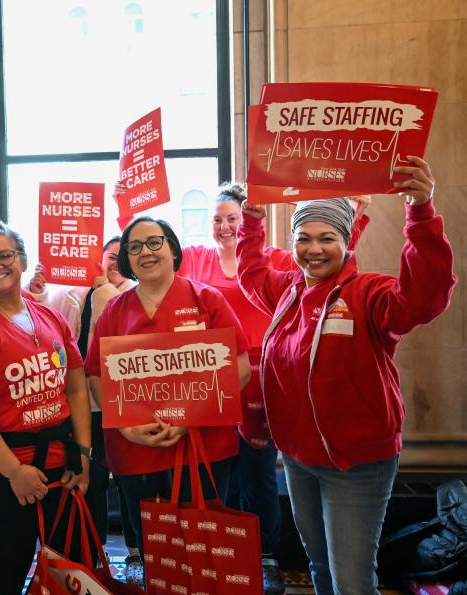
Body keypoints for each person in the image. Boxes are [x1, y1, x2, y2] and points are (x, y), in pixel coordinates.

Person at [236, 156, 456, 594]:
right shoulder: (289, 290)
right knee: (319, 564)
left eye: (326, 238)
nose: (313, 248)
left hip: (355, 463)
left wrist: (421, 211)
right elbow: (251, 273)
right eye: (303, 238)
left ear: (346, 241)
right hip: (299, 459)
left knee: (352, 581)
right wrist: (252, 222)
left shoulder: (369, 292)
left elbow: (423, 298)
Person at [176, 181, 370, 593]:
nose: (224, 226)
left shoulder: (277, 259)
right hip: (212, 379)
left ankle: (263, 557)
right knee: (216, 473)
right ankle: (221, 556)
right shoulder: (195, 259)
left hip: (264, 379)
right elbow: (153, 266)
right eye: (216, 219)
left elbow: (326, 265)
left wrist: (357, 215)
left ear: (243, 221)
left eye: (232, 218)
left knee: (258, 473)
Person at [85, 216, 253, 558]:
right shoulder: (114, 312)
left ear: (173, 249)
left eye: (154, 242)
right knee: (156, 551)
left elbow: (240, 368)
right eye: (134, 247)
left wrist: (190, 417)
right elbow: (96, 378)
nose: (145, 252)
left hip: (202, 447)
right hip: (136, 451)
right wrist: (126, 427)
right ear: (127, 260)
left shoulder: (208, 300)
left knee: (202, 550)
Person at [0, 222, 92, 595]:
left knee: (68, 572)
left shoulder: (50, 316)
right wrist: (14, 472)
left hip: (59, 461)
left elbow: (75, 387)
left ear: (22, 260)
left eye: (5, 255)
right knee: (7, 571)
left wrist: (84, 454)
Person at [28, 237, 144, 584]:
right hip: (87, 410)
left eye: (115, 259)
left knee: (129, 483)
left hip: (125, 407)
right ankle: (91, 556)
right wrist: (37, 292)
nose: (110, 265)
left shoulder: (132, 294)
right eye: (105, 258)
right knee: (89, 485)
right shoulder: (73, 294)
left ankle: (137, 553)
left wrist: (105, 289)